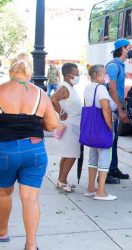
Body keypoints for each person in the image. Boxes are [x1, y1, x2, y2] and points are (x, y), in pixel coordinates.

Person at [0, 53, 58, 250]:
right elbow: (52, 125)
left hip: (4, 150)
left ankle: (2, 232)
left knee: (3, 194)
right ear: (29, 71)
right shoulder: (40, 94)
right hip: (34, 150)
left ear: (11, 70)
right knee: (30, 198)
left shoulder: (0, 90)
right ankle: (31, 245)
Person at [83, 64, 117, 201]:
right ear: (97, 75)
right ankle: (101, 191)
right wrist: (109, 127)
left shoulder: (87, 88)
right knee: (104, 158)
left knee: (93, 157)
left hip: (91, 129)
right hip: (101, 128)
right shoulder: (101, 88)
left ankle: (91, 188)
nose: (106, 77)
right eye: (104, 74)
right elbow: (105, 109)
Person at [50, 63, 82, 193]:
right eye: (77, 73)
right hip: (70, 126)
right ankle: (62, 181)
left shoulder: (69, 86)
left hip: (73, 125)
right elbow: (53, 99)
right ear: (69, 75)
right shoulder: (64, 87)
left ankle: (61, 180)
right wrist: (61, 112)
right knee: (71, 155)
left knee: (67, 154)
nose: (78, 75)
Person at [106, 38, 132, 184]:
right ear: (123, 49)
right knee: (110, 140)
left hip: (115, 106)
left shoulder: (120, 65)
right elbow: (112, 89)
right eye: (129, 48)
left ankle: (113, 167)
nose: (131, 51)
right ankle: (107, 171)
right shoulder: (113, 66)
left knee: (115, 139)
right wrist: (120, 108)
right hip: (111, 108)